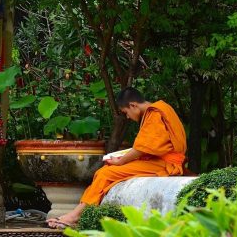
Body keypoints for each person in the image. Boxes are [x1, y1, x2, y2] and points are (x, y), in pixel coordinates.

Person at [46, 87, 187, 229]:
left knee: (106, 173)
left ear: (133, 105)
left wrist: (121, 161)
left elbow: (142, 148)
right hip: (158, 160)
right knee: (106, 171)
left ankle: (74, 216)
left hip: (165, 163)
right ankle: (78, 214)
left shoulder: (154, 112)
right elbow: (150, 146)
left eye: (126, 112)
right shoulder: (161, 108)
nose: (127, 117)